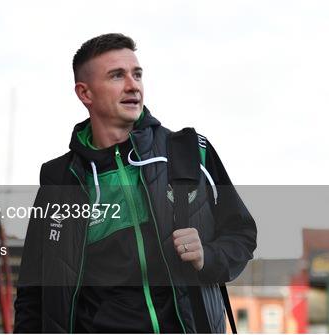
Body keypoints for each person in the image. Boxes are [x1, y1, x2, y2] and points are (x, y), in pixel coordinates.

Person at [14, 33, 257, 333]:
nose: (133, 85)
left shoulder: (189, 152)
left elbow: (242, 233)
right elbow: (32, 293)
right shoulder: (59, 181)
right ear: (85, 93)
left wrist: (208, 255)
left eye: (137, 74)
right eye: (117, 76)